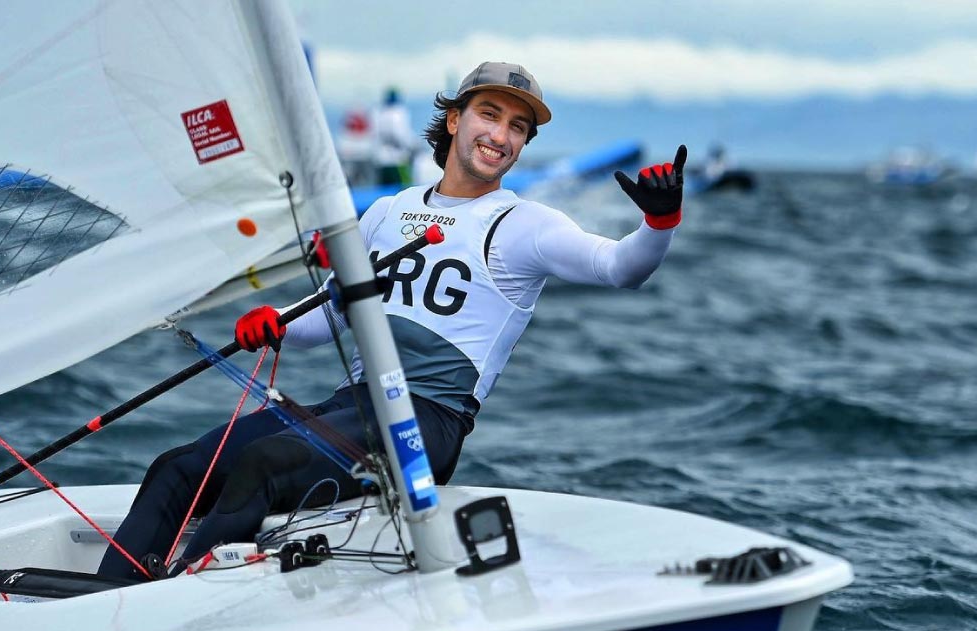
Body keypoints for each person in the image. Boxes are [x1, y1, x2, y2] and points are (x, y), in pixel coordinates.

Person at [97, 61, 686, 580]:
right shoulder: (387, 212)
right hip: (348, 405)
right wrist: (273, 320)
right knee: (178, 468)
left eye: (517, 128)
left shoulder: (528, 225)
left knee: (260, 466)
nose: (501, 136)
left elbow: (619, 268)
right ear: (454, 120)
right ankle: (104, 601)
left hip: (425, 422)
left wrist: (659, 223)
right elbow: (329, 314)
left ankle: (176, 598)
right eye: (490, 115)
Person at [373, 87, 415, 185]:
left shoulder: (379, 113)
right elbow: (402, 135)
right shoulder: (398, 113)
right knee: (403, 191)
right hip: (398, 159)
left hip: (382, 160)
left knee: (384, 192)